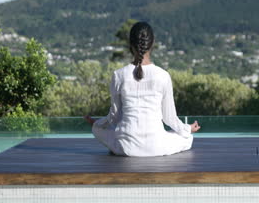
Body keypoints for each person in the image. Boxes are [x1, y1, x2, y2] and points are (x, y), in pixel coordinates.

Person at [84, 21, 201, 156]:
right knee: (187, 138)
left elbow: (115, 117)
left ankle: (114, 142)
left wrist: (97, 123)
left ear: (130, 44)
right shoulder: (163, 76)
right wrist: (187, 128)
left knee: (97, 130)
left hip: (126, 148)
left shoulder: (119, 75)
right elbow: (169, 118)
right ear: (152, 43)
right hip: (157, 146)